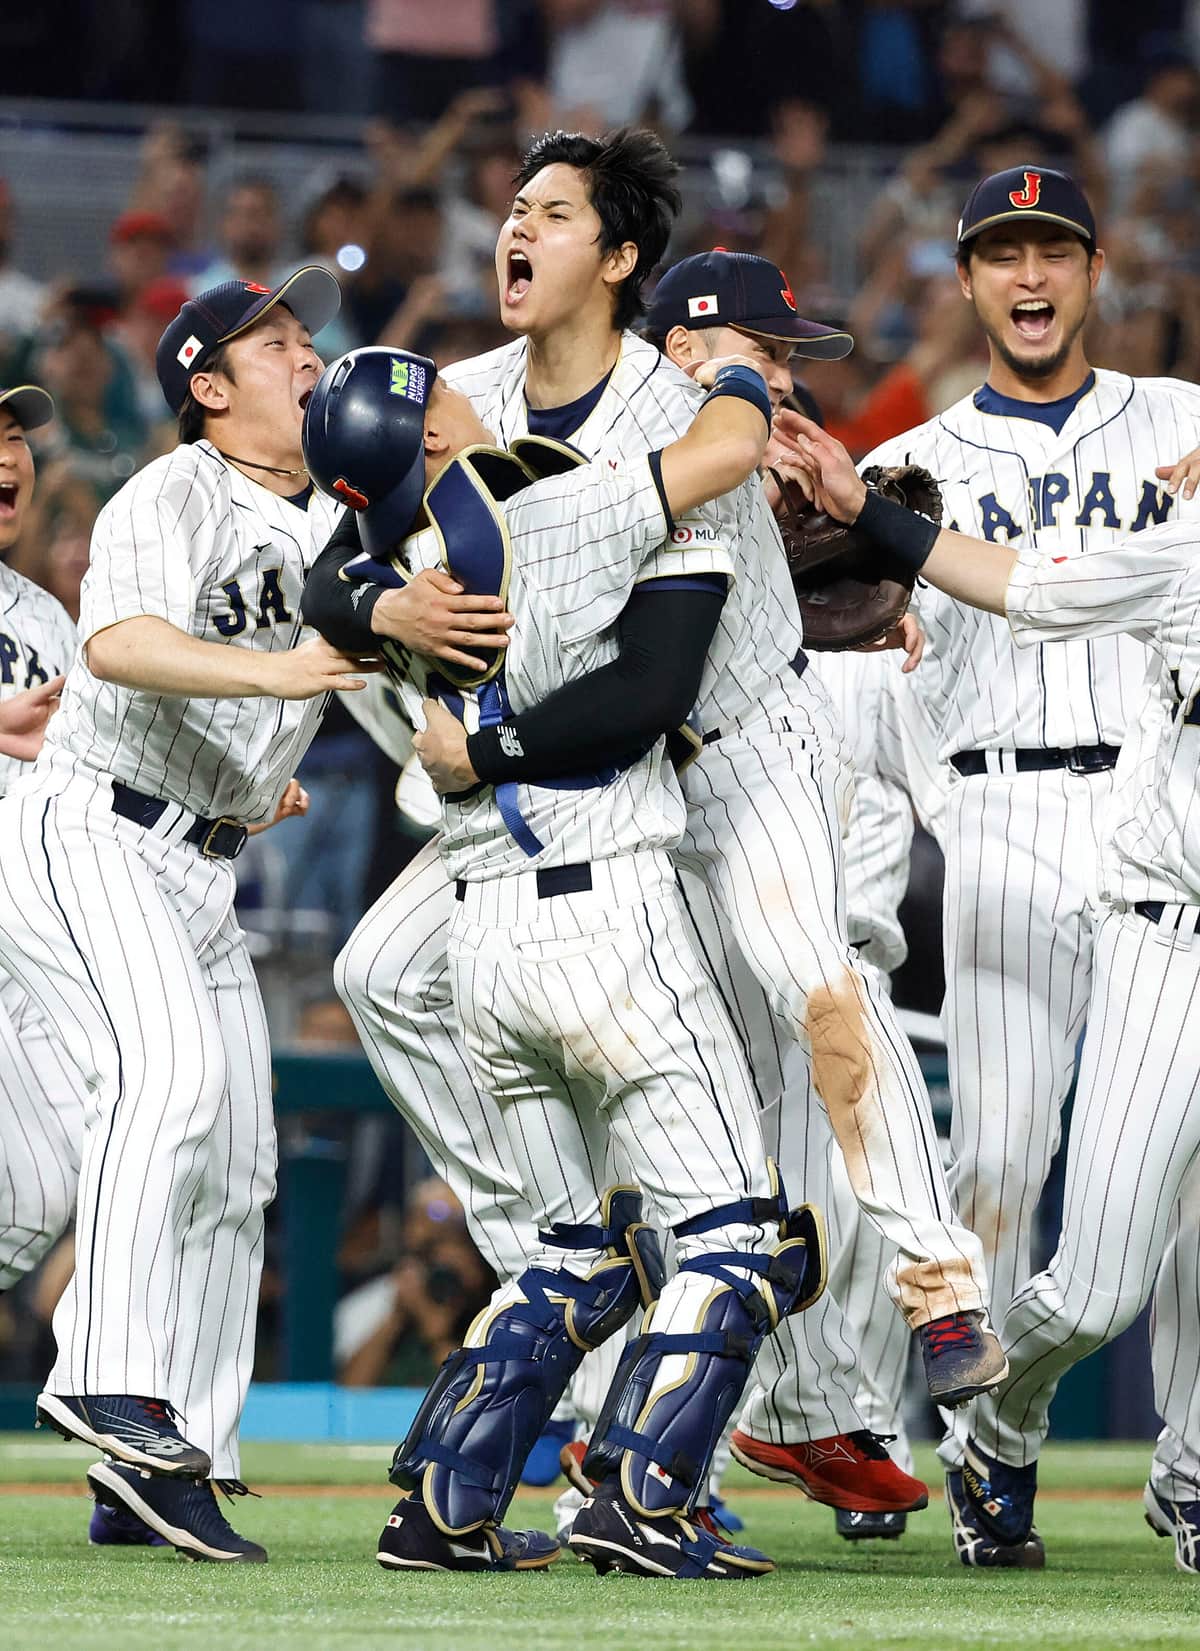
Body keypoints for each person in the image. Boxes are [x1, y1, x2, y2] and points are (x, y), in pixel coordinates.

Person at [310, 132, 1002, 1512]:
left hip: (728, 749)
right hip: (574, 785)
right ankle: (559, 1278)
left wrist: (744, 384)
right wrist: (383, 604)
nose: (515, 228)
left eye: (552, 213)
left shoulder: (672, 411)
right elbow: (333, 570)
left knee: (817, 992)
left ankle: (934, 1286)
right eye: (514, 208)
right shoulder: (462, 393)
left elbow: (665, 657)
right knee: (383, 970)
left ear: (619, 261)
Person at [306, 337, 830, 1578]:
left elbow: (330, 585)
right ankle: (640, 1501)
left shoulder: (391, 568)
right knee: (741, 1238)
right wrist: (737, 375)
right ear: (431, 434)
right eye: (440, 390)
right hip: (606, 910)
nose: (469, 381)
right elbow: (721, 459)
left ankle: (445, 1504)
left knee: (570, 1249)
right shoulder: (551, 510)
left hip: (483, 928)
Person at [778, 163, 1200, 1566]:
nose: (1030, 277)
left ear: (1095, 272)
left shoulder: (1186, 423)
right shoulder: (926, 452)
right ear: (966, 279)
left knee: (1186, 1182)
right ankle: (986, 1453)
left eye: (1054, 252)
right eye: (1002, 253)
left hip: (1156, 803)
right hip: (1004, 820)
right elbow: (865, 650)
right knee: (1006, 1160)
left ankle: (1189, 1463)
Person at [0, 268, 375, 1565]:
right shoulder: (174, 488)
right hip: (93, 824)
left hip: (202, 859)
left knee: (237, 1164)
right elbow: (118, 644)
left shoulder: (339, 522)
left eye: (306, 336)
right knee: (159, 1078)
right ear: (208, 386)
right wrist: (276, 674)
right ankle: (106, 1377)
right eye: (275, 340)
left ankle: (174, 1460)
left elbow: (366, 679)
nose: (306, 353)